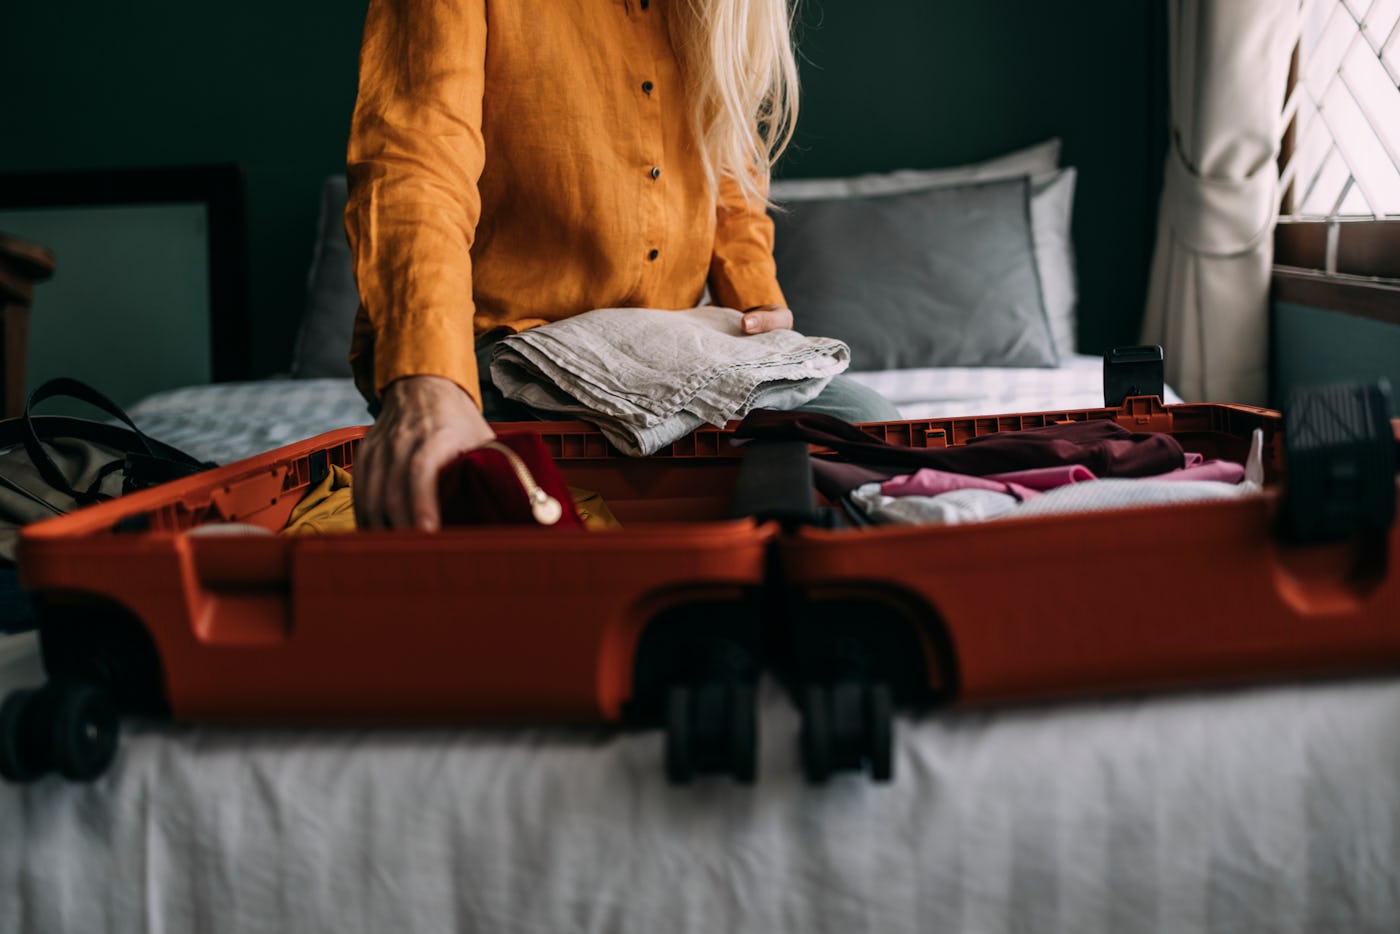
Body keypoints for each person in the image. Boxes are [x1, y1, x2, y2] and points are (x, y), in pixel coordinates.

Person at [345, 0, 898, 532]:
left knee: (873, 436)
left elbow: (728, 160)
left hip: (667, 349)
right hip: (502, 349)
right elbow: (417, 166)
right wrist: (429, 379)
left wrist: (756, 296)